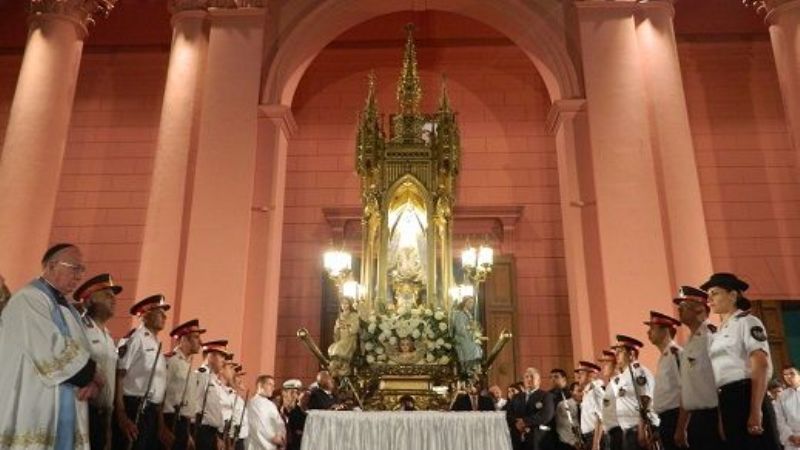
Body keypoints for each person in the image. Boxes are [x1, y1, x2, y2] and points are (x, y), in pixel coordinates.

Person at [0, 244, 102, 450]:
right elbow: (53, 350)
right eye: (75, 268)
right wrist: (93, 375)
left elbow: (82, 352)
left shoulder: (68, 308)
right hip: (35, 405)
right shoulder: (29, 299)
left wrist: (93, 381)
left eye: (82, 270)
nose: (79, 276)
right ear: (52, 266)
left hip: (67, 402)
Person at [703, 272, 781, 450]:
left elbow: (761, 365)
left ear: (732, 295)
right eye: (708, 295)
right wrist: (722, 417)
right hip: (726, 398)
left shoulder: (747, 322)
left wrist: (755, 409)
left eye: (714, 293)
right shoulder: (718, 333)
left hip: (747, 394)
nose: (709, 299)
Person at [112, 294, 170, 450]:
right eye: (159, 312)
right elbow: (119, 375)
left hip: (151, 411)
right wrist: (121, 414)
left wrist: (160, 423)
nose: (165, 316)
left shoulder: (155, 343)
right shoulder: (135, 338)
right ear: (145, 314)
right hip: (134, 406)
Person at [74, 273, 122, 450]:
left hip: (104, 414)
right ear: (90, 299)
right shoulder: (79, 327)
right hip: (83, 409)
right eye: (107, 295)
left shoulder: (108, 336)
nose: (114, 299)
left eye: (114, 296)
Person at [672, 285, 723, 450]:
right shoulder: (689, 343)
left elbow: (721, 382)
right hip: (695, 419)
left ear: (700, 310)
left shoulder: (712, 338)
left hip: (713, 417)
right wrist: (681, 427)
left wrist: (723, 420)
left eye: (684, 306)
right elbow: (687, 389)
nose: (679, 310)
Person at [162, 319, 205, 450]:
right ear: (184, 339)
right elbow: (161, 394)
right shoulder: (171, 361)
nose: (201, 342)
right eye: (196, 337)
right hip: (169, 420)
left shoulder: (188, 365)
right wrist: (161, 428)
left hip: (183, 424)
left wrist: (187, 434)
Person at [610, 334, 658, 450]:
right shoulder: (625, 375)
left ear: (631, 354)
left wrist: (642, 429)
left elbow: (645, 399)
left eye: (620, 351)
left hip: (638, 429)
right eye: (616, 351)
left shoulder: (638, 371)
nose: (616, 354)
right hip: (628, 431)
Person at [643, 310, 682, 450]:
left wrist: (681, 426)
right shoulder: (664, 357)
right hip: (666, 419)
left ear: (665, 331)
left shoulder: (675, 354)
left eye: (652, 328)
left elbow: (685, 390)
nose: (648, 333)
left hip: (676, 417)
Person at [507, 367, 555, 450]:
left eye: (532, 377)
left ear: (539, 381)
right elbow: (508, 414)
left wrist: (525, 422)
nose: (529, 379)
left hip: (537, 439)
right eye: (526, 377)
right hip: (518, 438)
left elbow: (546, 415)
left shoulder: (546, 396)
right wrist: (516, 423)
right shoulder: (516, 397)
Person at [193, 340, 229, 450]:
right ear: (210, 356)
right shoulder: (201, 375)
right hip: (201, 431)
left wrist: (216, 436)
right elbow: (195, 406)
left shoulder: (214, 380)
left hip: (212, 433)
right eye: (221, 356)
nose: (224, 361)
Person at [246, 375, 286, 450]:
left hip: (274, 445)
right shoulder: (253, 403)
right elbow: (260, 426)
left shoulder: (271, 404)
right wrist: (274, 438)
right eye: (270, 384)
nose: (272, 388)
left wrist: (281, 435)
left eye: (273, 385)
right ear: (260, 385)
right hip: (258, 446)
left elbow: (279, 422)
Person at [576, 361, 605, 450]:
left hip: (596, 437)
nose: (578, 376)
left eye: (582, 373)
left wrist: (596, 443)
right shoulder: (587, 392)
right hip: (589, 437)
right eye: (578, 373)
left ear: (591, 375)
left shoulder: (595, 392)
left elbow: (600, 418)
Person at [452, 296, 483, 377]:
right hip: (462, 338)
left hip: (469, 336)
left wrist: (475, 331)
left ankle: (474, 367)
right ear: (464, 303)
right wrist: (470, 328)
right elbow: (460, 329)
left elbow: (472, 326)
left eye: (472, 303)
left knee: (477, 347)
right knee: (473, 347)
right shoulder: (459, 314)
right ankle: (468, 368)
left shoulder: (469, 314)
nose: (471, 304)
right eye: (469, 302)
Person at [775, 365, 800, 448]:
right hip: (792, 439)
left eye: (792, 373)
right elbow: (779, 420)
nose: (788, 377)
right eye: (785, 375)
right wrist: (791, 436)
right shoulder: (782, 396)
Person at [548, 368, 571, 450]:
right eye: (551, 377)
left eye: (556, 377)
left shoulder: (571, 393)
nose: (553, 379)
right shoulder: (548, 395)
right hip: (553, 432)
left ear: (564, 378)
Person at [554, 381, 581, 450]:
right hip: (568, 444)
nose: (582, 393)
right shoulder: (563, 405)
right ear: (571, 392)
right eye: (579, 391)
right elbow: (560, 427)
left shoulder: (586, 405)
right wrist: (573, 442)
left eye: (583, 390)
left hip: (585, 443)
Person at [280, 379, 306, 450]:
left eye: (297, 393)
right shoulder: (276, 411)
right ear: (283, 393)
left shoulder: (302, 415)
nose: (294, 396)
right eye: (291, 392)